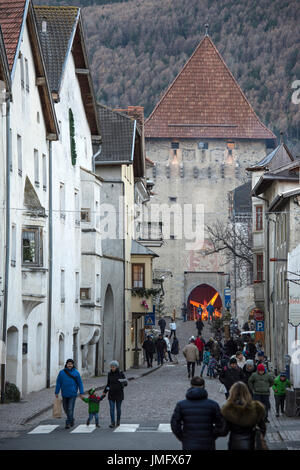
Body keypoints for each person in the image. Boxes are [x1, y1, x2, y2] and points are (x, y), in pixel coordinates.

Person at [171, 376, 225, 450]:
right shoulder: (213, 405)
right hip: (207, 443)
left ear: (191, 386)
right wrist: (212, 435)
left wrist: (183, 437)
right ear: (204, 386)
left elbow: (175, 424)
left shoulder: (181, 405)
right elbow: (221, 423)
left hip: (189, 442)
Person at [220, 381, 266, 450]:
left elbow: (224, 431)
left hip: (235, 443)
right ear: (247, 392)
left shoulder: (228, 409)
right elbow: (263, 428)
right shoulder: (256, 408)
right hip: (251, 443)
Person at [55, 358, 84, 429]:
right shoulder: (61, 373)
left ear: (73, 365)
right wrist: (56, 392)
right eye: (68, 364)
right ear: (66, 364)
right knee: (65, 408)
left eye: (71, 364)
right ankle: (71, 419)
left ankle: (67, 422)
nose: (70, 365)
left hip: (73, 394)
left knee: (70, 408)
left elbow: (80, 383)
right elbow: (58, 382)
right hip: (64, 394)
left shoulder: (76, 373)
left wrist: (81, 392)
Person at [104, 360, 127, 428]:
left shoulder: (121, 374)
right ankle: (112, 422)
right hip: (111, 394)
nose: (112, 368)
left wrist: (122, 382)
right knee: (111, 408)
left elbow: (126, 383)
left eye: (113, 367)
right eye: (111, 367)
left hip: (119, 394)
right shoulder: (109, 374)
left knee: (118, 408)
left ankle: (118, 421)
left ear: (116, 367)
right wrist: (105, 391)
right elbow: (108, 384)